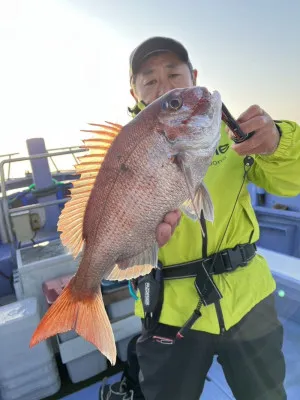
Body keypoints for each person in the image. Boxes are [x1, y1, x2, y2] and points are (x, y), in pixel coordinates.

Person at [100, 36, 300, 400]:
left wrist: (278, 142)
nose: (165, 86)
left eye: (174, 74)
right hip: (170, 310)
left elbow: (292, 181)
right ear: (135, 93)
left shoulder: (238, 134)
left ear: (194, 76)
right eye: (150, 80)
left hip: (250, 298)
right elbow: (110, 219)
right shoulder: (122, 153)